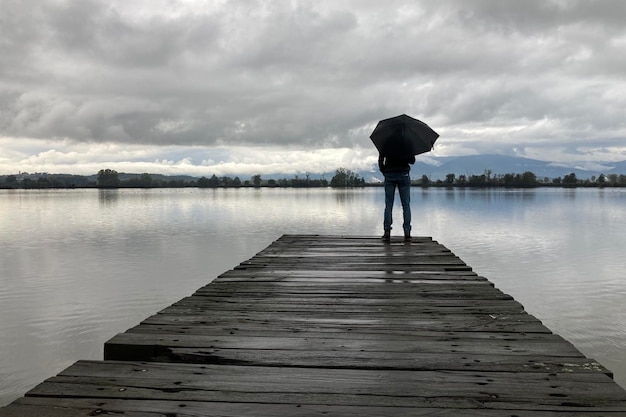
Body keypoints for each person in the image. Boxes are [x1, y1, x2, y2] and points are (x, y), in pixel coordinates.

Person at [378, 153, 416, 241]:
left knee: (388, 205)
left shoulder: (385, 142)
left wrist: (384, 170)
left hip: (389, 174)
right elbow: (412, 161)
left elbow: (380, 160)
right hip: (403, 174)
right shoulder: (407, 143)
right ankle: (407, 232)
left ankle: (387, 231)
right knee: (406, 205)